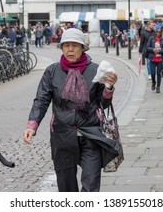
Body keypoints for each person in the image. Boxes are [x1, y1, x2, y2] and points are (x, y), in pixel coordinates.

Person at [23, 28, 119, 192]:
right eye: (66, 45)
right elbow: (41, 100)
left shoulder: (96, 70)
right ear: (61, 48)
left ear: (83, 48)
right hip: (62, 136)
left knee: (91, 186)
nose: (70, 49)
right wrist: (32, 125)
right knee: (66, 187)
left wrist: (109, 87)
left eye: (75, 45)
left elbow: (103, 103)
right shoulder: (52, 72)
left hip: (90, 135)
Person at [146, 28, 163, 93]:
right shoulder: (151, 39)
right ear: (155, 32)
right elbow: (147, 47)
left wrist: (159, 51)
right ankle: (153, 82)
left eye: (159, 32)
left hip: (160, 60)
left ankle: (158, 87)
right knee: (152, 73)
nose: (158, 33)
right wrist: (153, 50)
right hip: (152, 58)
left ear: (161, 33)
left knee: (159, 74)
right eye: (157, 32)